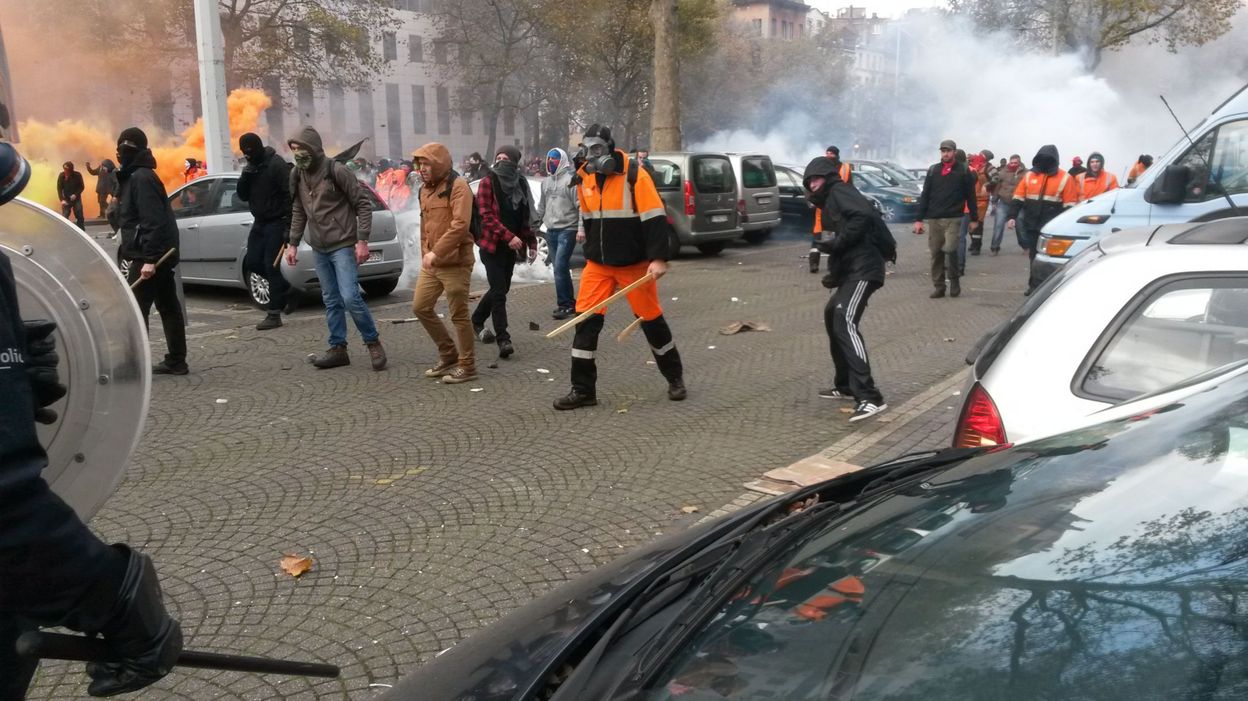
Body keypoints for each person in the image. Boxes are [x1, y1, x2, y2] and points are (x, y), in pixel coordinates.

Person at [556, 123, 685, 410]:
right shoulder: (584, 177)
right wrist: (590, 249)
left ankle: (675, 378)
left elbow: (655, 217)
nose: (591, 156)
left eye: (597, 150)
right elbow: (588, 220)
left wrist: (658, 258)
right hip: (598, 265)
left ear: (610, 148)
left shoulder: (635, 174)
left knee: (652, 322)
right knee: (585, 323)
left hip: (634, 265)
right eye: (587, 150)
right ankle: (583, 390)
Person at [286, 126, 386, 370]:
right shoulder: (297, 175)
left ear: (314, 149)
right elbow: (299, 209)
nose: (297, 154)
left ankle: (373, 342)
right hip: (319, 247)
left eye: (301, 148)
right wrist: (293, 243)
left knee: (350, 297)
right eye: (294, 149)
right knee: (330, 299)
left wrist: (362, 241)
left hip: (342, 244)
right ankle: (338, 348)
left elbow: (362, 204)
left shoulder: (336, 170)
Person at [803, 157, 889, 422]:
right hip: (853, 270)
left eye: (815, 180)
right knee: (833, 314)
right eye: (808, 182)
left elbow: (862, 216)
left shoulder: (839, 191)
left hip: (866, 269)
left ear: (826, 178)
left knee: (844, 318)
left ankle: (869, 396)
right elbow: (843, 246)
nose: (812, 185)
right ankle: (845, 384)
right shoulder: (830, 201)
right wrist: (834, 274)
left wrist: (837, 243)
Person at [115, 127, 189, 375]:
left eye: (126, 146)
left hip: (150, 255)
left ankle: (137, 365)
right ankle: (177, 361)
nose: (121, 151)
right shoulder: (137, 176)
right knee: (168, 306)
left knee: (136, 310)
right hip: (157, 254)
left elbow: (153, 220)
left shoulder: (141, 178)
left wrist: (149, 259)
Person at [411, 142, 477, 384]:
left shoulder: (459, 187)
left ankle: (467, 366)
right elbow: (425, 227)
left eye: (426, 163)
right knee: (420, 307)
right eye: (420, 164)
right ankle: (448, 354)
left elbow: (460, 226)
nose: (422, 169)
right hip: (432, 263)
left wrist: (435, 253)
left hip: (455, 263)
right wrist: (425, 254)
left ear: (438, 163)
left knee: (459, 315)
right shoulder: (425, 189)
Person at [472, 145, 537, 360]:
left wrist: (532, 243)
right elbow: (486, 216)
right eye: (497, 158)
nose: (500, 162)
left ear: (515, 162)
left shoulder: (520, 183)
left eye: (505, 158)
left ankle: (477, 318)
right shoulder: (487, 182)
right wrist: (509, 237)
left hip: (512, 249)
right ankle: (504, 339)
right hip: (491, 246)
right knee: (499, 292)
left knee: (501, 288)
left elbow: (525, 217)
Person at [236, 133, 293, 331]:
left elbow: (289, 196)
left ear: (258, 148)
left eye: (250, 152)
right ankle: (286, 288)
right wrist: (245, 176)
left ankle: (274, 313)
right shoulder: (251, 167)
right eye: (245, 153)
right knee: (253, 262)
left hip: (276, 222)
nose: (248, 156)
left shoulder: (276, 165)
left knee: (271, 266)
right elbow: (242, 195)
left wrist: (288, 227)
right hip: (260, 222)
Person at [1007, 144, 1079, 294]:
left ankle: (1048, 288)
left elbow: (1070, 206)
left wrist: (1065, 227)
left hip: (1053, 227)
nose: (1045, 162)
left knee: (1050, 259)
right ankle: (1033, 286)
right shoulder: (1029, 176)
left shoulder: (1065, 178)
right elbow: (1018, 197)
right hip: (1032, 223)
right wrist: (1012, 216)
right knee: (1034, 256)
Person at [914, 139, 977, 299]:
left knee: (950, 249)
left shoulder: (963, 171)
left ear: (954, 152)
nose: (946, 154)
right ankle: (939, 286)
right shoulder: (933, 170)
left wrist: (974, 219)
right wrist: (919, 219)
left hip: (954, 217)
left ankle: (954, 281)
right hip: (934, 218)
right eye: (943, 151)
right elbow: (925, 195)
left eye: (948, 151)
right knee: (936, 253)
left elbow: (971, 195)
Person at [534, 147, 580, 320]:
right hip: (551, 230)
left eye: (554, 160)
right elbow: (542, 206)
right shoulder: (545, 183)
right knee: (559, 269)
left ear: (561, 161)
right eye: (549, 159)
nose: (550, 163)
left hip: (568, 229)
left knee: (560, 266)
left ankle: (565, 305)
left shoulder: (571, 181)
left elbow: (581, 206)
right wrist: (536, 223)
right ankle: (569, 302)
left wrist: (581, 229)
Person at [810, 146, 853, 273]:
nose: (829, 155)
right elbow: (812, 185)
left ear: (837, 155)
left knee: (837, 236)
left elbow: (849, 186)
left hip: (838, 207)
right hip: (822, 207)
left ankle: (836, 264)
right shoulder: (821, 166)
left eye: (832, 153)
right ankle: (814, 264)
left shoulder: (845, 168)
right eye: (827, 153)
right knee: (818, 235)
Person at [991, 154, 1026, 255]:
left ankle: (1025, 246)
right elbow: (997, 187)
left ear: (1019, 163)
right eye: (1012, 162)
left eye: (1015, 163)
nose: (1013, 164)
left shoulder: (1026, 173)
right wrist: (994, 201)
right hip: (1004, 202)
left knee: (1020, 225)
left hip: (1019, 203)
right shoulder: (1002, 172)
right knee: (998, 225)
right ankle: (994, 248)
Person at [85, 158, 118, 226]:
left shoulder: (110, 171)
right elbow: (93, 172)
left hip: (105, 188)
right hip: (100, 188)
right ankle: (102, 214)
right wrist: (88, 167)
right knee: (99, 201)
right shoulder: (100, 168)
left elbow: (115, 182)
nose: (102, 165)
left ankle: (109, 209)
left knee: (102, 201)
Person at [55, 161, 86, 229]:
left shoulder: (77, 175)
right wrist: (62, 200)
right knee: (65, 215)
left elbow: (82, 187)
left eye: (67, 169)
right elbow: (59, 188)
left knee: (79, 214)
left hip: (76, 198)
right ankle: (65, 230)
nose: (65, 170)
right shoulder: (62, 176)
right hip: (66, 199)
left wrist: (75, 195)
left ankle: (81, 229)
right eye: (64, 169)